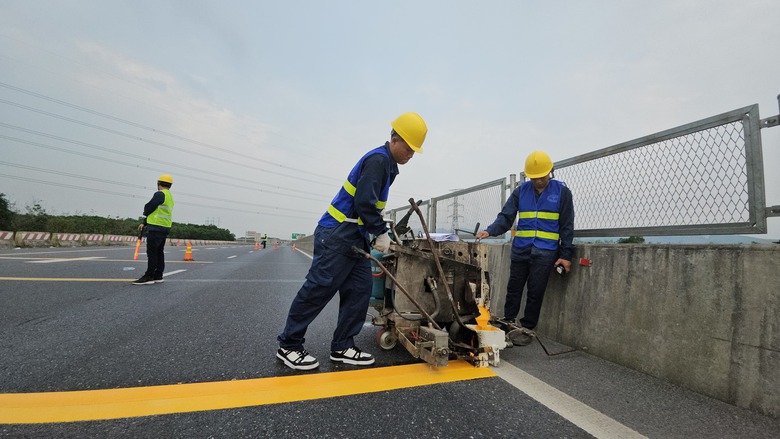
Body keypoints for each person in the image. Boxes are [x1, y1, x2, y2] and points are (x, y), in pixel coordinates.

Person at [276, 112, 428, 370]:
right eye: (408, 148)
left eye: (414, 150)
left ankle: (342, 346)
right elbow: (364, 203)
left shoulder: (389, 166)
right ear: (394, 140)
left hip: (355, 237)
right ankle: (289, 345)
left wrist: (375, 232)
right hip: (337, 234)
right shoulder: (378, 160)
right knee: (318, 290)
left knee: (359, 291)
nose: (411, 154)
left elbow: (370, 205)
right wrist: (380, 231)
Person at [475, 151, 575, 346]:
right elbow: (506, 217)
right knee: (513, 288)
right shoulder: (521, 191)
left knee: (535, 291)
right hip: (521, 248)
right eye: (534, 177)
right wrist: (490, 231)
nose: (538, 180)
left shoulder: (562, 192)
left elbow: (567, 225)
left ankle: (527, 329)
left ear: (550, 172)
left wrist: (566, 255)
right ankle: (508, 323)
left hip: (546, 251)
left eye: (542, 176)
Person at [132, 174, 175, 285]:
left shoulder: (160, 194)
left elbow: (149, 208)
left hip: (156, 227)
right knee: (159, 252)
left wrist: (144, 215)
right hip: (164, 228)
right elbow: (157, 211)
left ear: (158, 183)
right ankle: (158, 275)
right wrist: (144, 222)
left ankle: (149, 276)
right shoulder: (170, 196)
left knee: (152, 253)